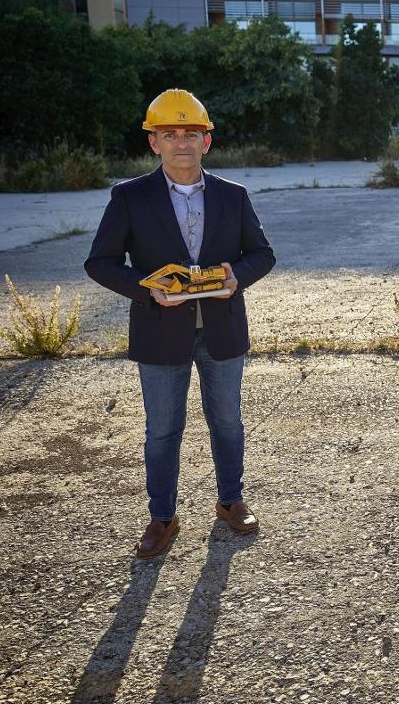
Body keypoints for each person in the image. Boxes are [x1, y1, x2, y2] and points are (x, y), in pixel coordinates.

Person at [84, 89, 276, 558]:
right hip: (159, 329)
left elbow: (262, 254)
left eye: (191, 134)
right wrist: (146, 288)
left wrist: (238, 277)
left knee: (227, 421)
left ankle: (231, 502)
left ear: (206, 141)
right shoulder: (129, 197)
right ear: (154, 143)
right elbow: (100, 263)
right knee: (163, 429)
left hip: (222, 329)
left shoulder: (234, 196)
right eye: (170, 134)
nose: (182, 143)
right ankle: (162, 516)